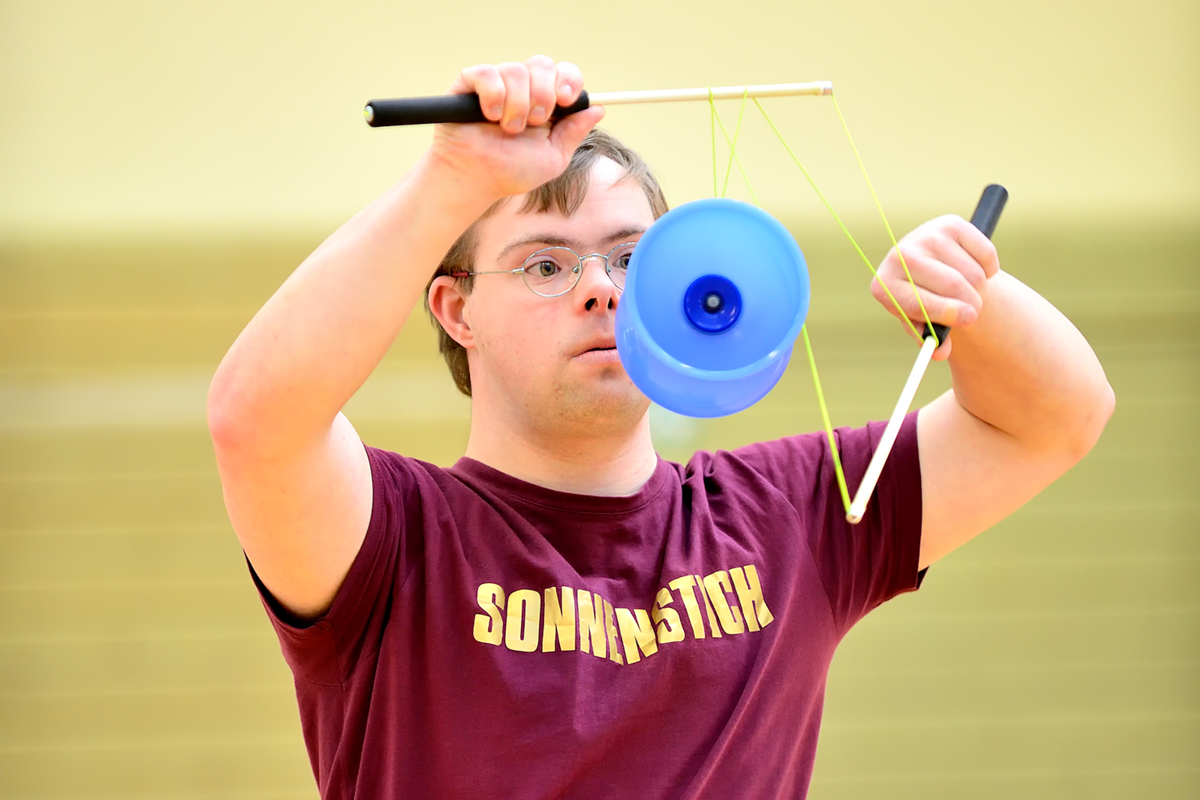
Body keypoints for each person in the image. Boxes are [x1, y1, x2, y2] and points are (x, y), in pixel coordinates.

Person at [207, 56, 1115, 799]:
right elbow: (255, 419)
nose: (601, 289)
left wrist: (977, 297)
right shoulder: (392, 537)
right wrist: (454, 180)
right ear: (456, 309)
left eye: (632, 257)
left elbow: (1057, 419)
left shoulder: (787, 514)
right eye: (545, 264)